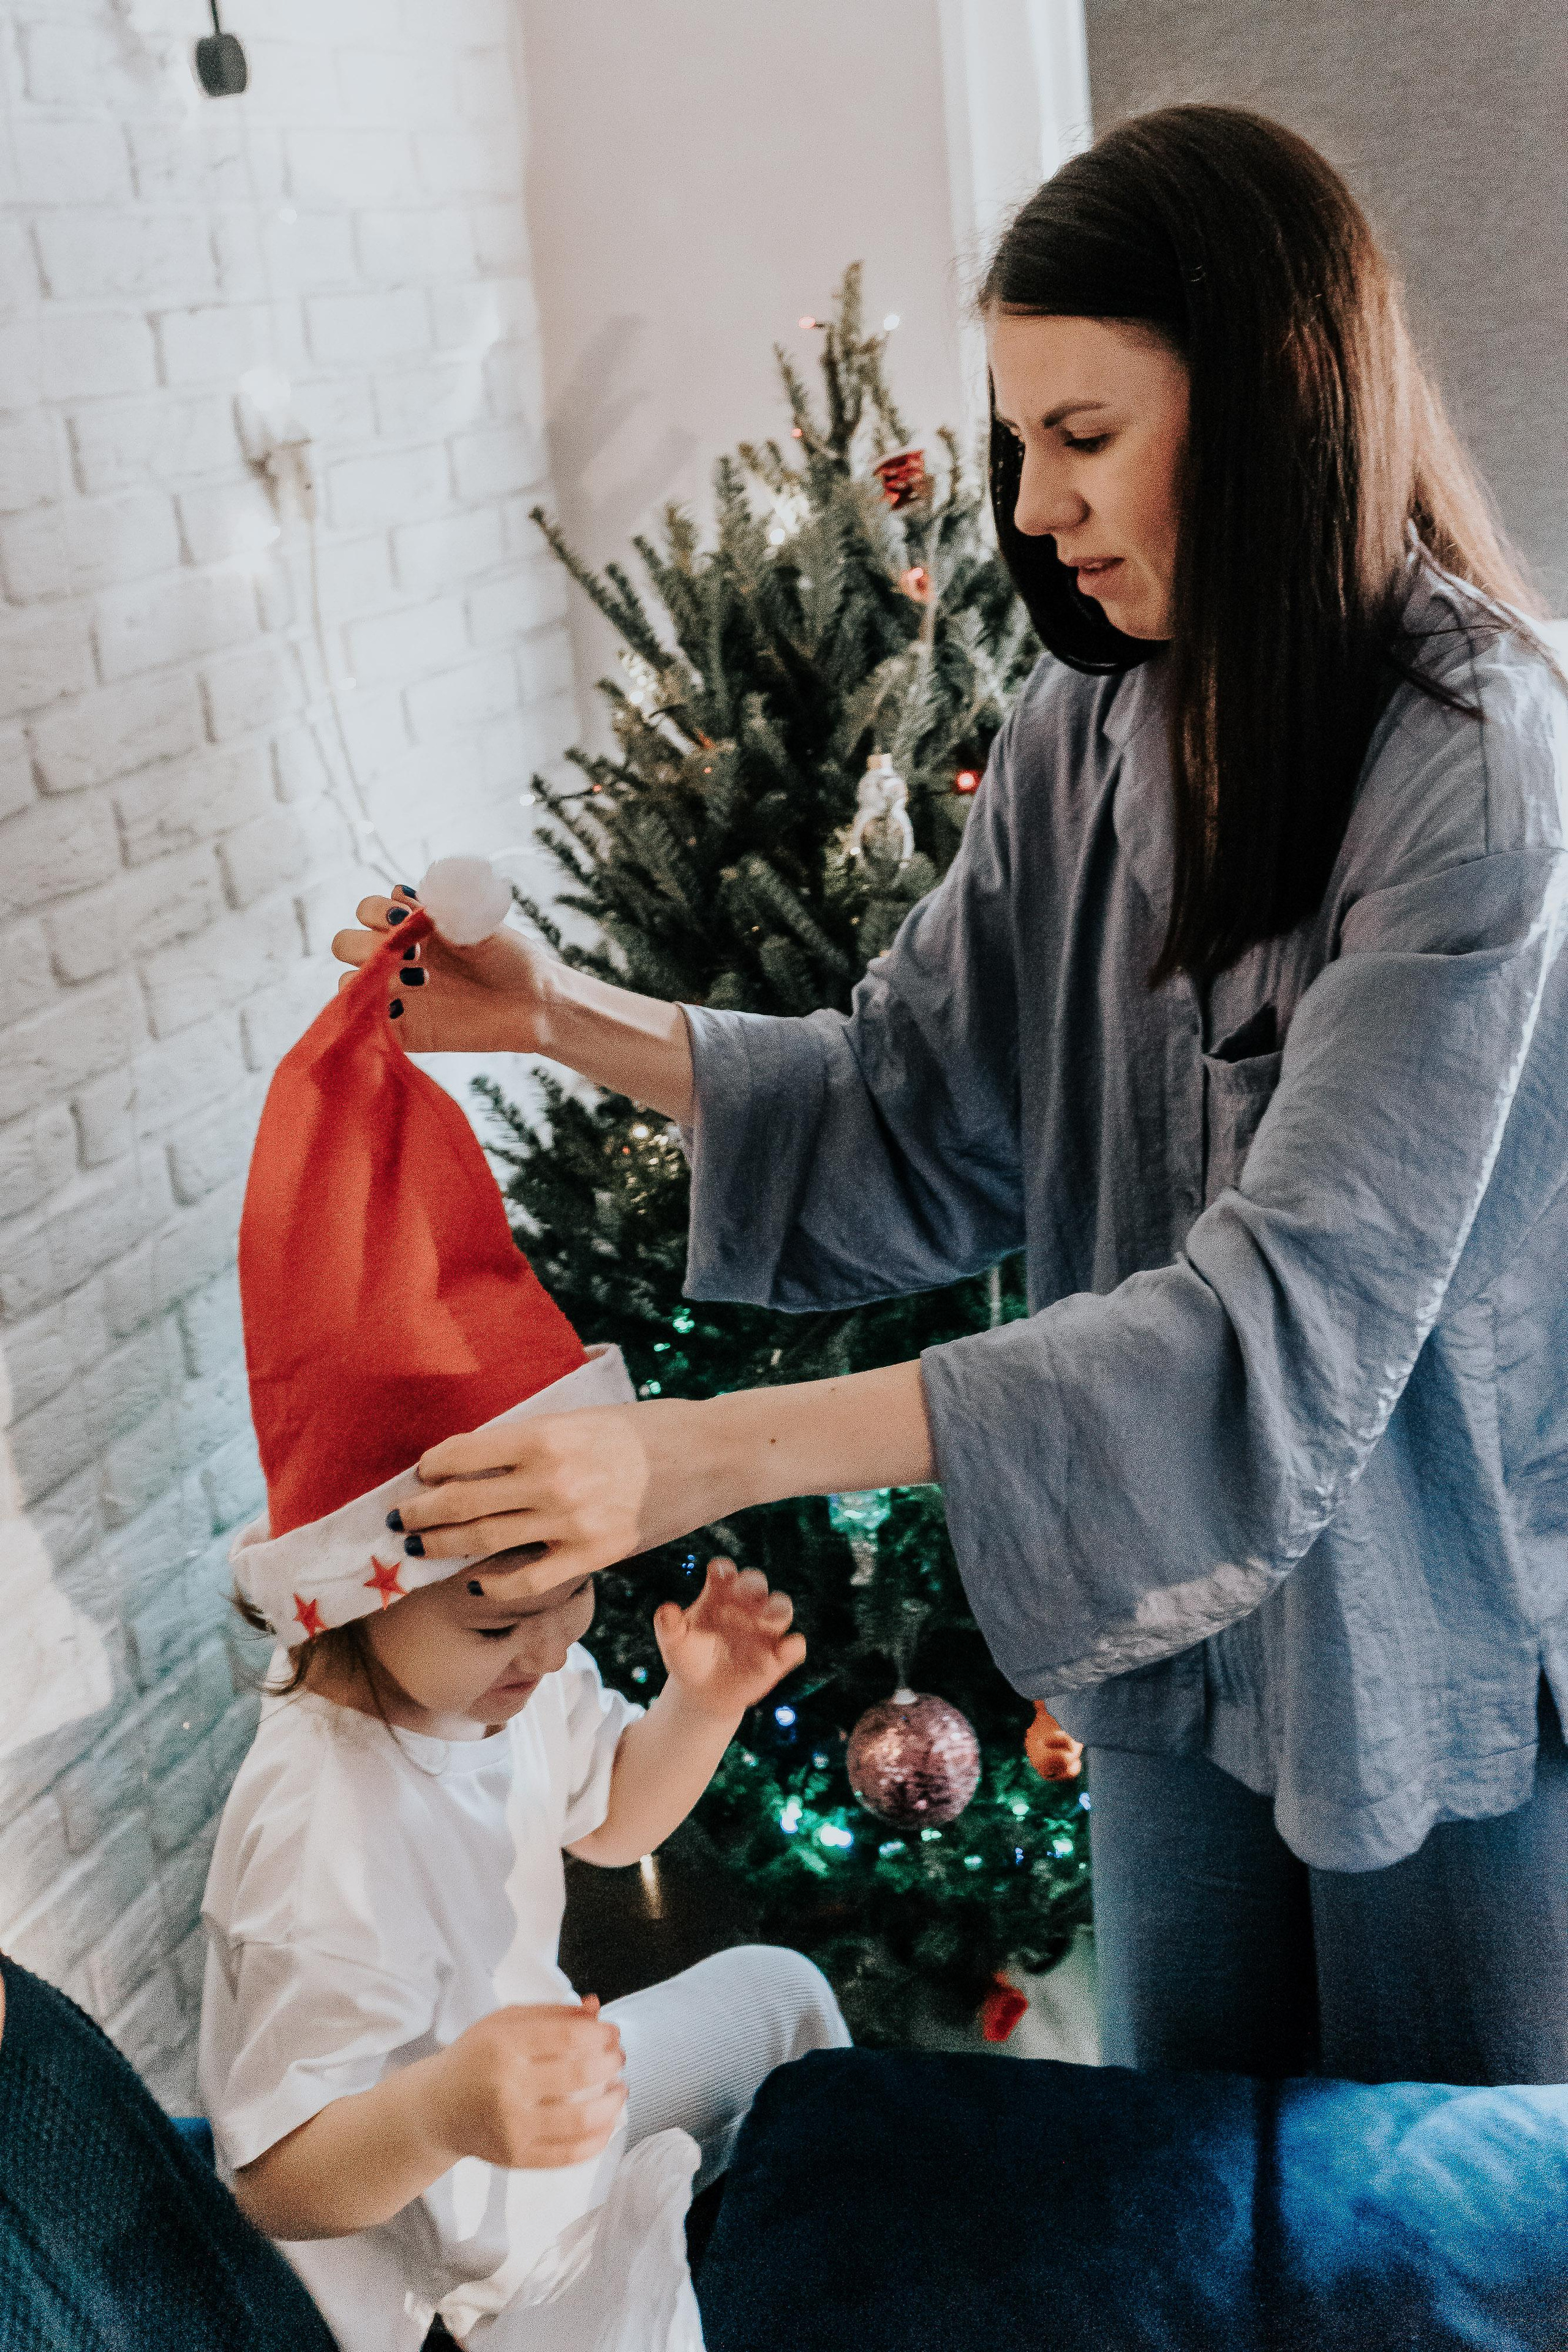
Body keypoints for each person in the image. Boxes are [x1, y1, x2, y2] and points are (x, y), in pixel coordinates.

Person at [332, 104, 1568, 2090]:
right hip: (1179, 1623)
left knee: (1446, 2206)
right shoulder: (1088, 728)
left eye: (1084, 435)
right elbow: (908, 1100)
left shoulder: (1478, 760)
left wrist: (697, 1459)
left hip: (1430, 1626)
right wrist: (557, 1014)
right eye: (1015, 443)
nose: (1036, 504)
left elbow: (1276, 1326)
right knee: (1180, 2171)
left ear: (1277, 410)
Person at [200, 897, 848, 2352]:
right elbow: (278, 2181)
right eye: (506, 1619)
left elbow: (611, 1825)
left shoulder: (501, 1674)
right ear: (359, 1594)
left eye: (577, 1594)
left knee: (783, 1997)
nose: (553, 1650)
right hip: (469, 2274)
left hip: (560, 2128)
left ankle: (784, 2224)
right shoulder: (318, 1830)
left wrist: (700, 1705)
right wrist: (443, 2108)